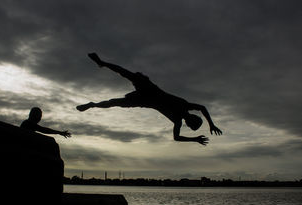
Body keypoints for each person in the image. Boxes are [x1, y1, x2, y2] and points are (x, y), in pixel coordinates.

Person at [76, 53, 222, 145]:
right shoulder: (185, 106)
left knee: (114, 103)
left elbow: (176, 138)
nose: (189, 126)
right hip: (151, 90)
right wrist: (211, 124)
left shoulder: (178, 120)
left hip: (144, 100)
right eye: (191, 125)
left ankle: (92, 104)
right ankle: (103, 63)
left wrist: (195, 139)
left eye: (190, 127)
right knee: (127, 74)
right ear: (192, 120)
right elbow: (202, 107)